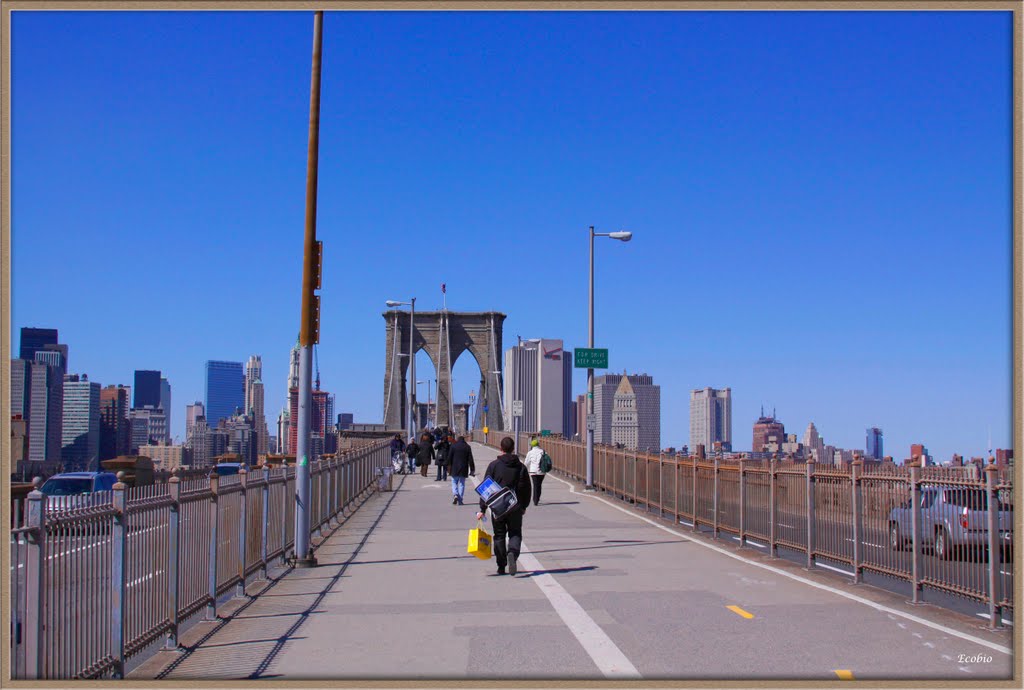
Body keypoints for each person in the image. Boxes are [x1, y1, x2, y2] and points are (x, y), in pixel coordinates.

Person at [476, 436, 531, 576]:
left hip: (498, 507)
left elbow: (486, 488)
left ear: (501, 448)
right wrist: (524, 506)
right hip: (515, 506)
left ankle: (501, 565)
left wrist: (482, 508)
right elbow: (526, 488)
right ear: (513, 449)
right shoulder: (520, 467)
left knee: (499, 535)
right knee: (515, 533)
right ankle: (512, 552)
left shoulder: (494, 465)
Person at [447, 435, 476, 505]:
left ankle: (455, 494)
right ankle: (460, 500)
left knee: (454, 482)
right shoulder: (467, 447)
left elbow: (449, 457)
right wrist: (472, 469)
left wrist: (448, 466)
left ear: (457, 440)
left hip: (454, 467)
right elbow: (470, 459)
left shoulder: (453, 446)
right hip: (464, 468)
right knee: (462, 484)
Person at [523, 437, 546, 506]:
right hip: (542, 471)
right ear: (538, 444)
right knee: (539, 485)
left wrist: (523, 470)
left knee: (535, 484)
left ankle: (535, 499)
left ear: (532, 446)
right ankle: (537, 498)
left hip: (533, 471)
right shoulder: (543, 451)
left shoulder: (530, 453)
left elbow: (526, 463)